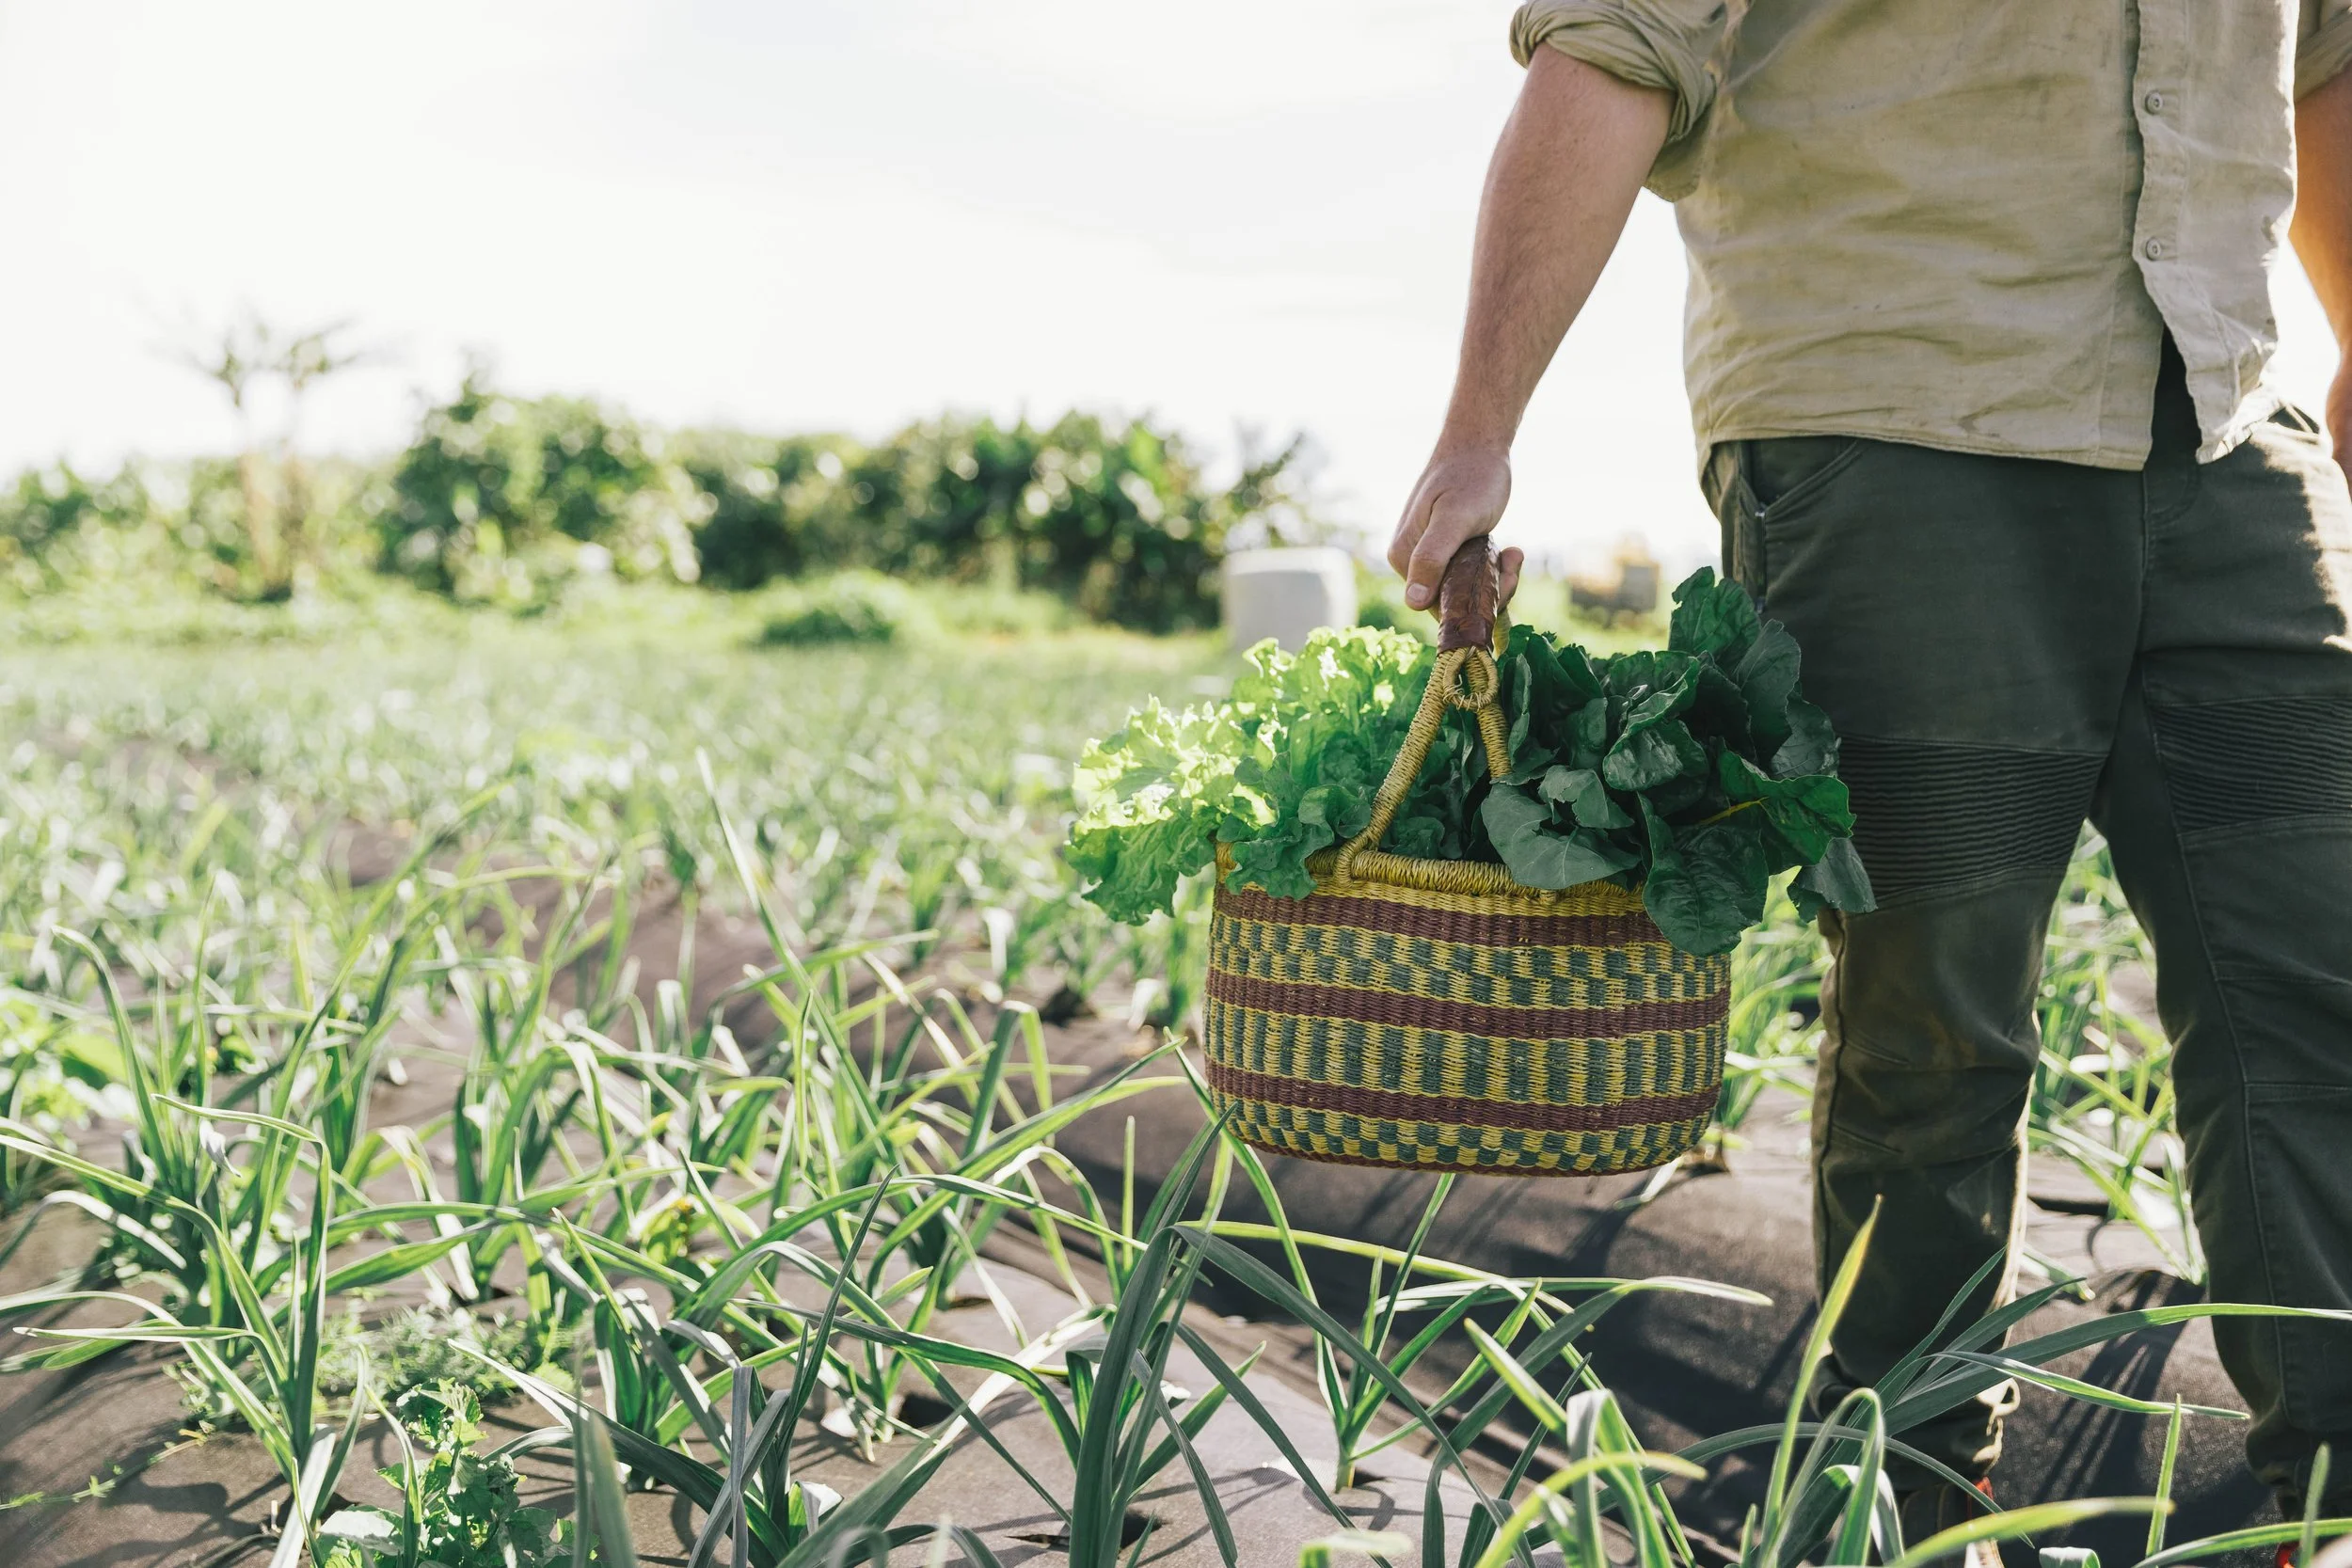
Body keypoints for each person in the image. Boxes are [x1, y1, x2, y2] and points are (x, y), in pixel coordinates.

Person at [1386, 0, 2352, 1545]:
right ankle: (1904, 1500)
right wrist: (1477, 426)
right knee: (1938, 1018)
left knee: (2320, 983)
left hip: (2235, 426)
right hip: (1904, 424)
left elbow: (2316, 57)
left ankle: (2333, 1494)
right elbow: (1613, 45)